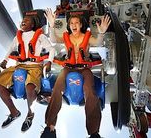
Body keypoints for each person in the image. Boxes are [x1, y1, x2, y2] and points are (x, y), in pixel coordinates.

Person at [40, 8, 111, 138]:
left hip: (84, 69)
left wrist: (101, 33)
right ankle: (50, 127)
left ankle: (94, 133)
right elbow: (54, 40)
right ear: (69, 26)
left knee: (90, 91)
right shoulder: (66, 37)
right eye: (71, 23)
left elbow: (98, 42)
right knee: (56, 90)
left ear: (81, 25)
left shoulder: (87, 37)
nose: (74, 25)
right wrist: (51, 25)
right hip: (68, 68)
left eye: (76, 23)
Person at [0, 14, 55, 132]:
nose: (23, 21)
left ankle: (30, 114)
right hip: (19, 65)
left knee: (30, 87)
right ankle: (14, 112)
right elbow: (11, 49)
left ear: (32, 25)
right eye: (23, 20)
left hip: (34, 66)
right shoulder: (17, 37)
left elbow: (51, 49)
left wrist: (49, 62)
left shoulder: (40, 36)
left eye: (26, 20)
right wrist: (5, 60)